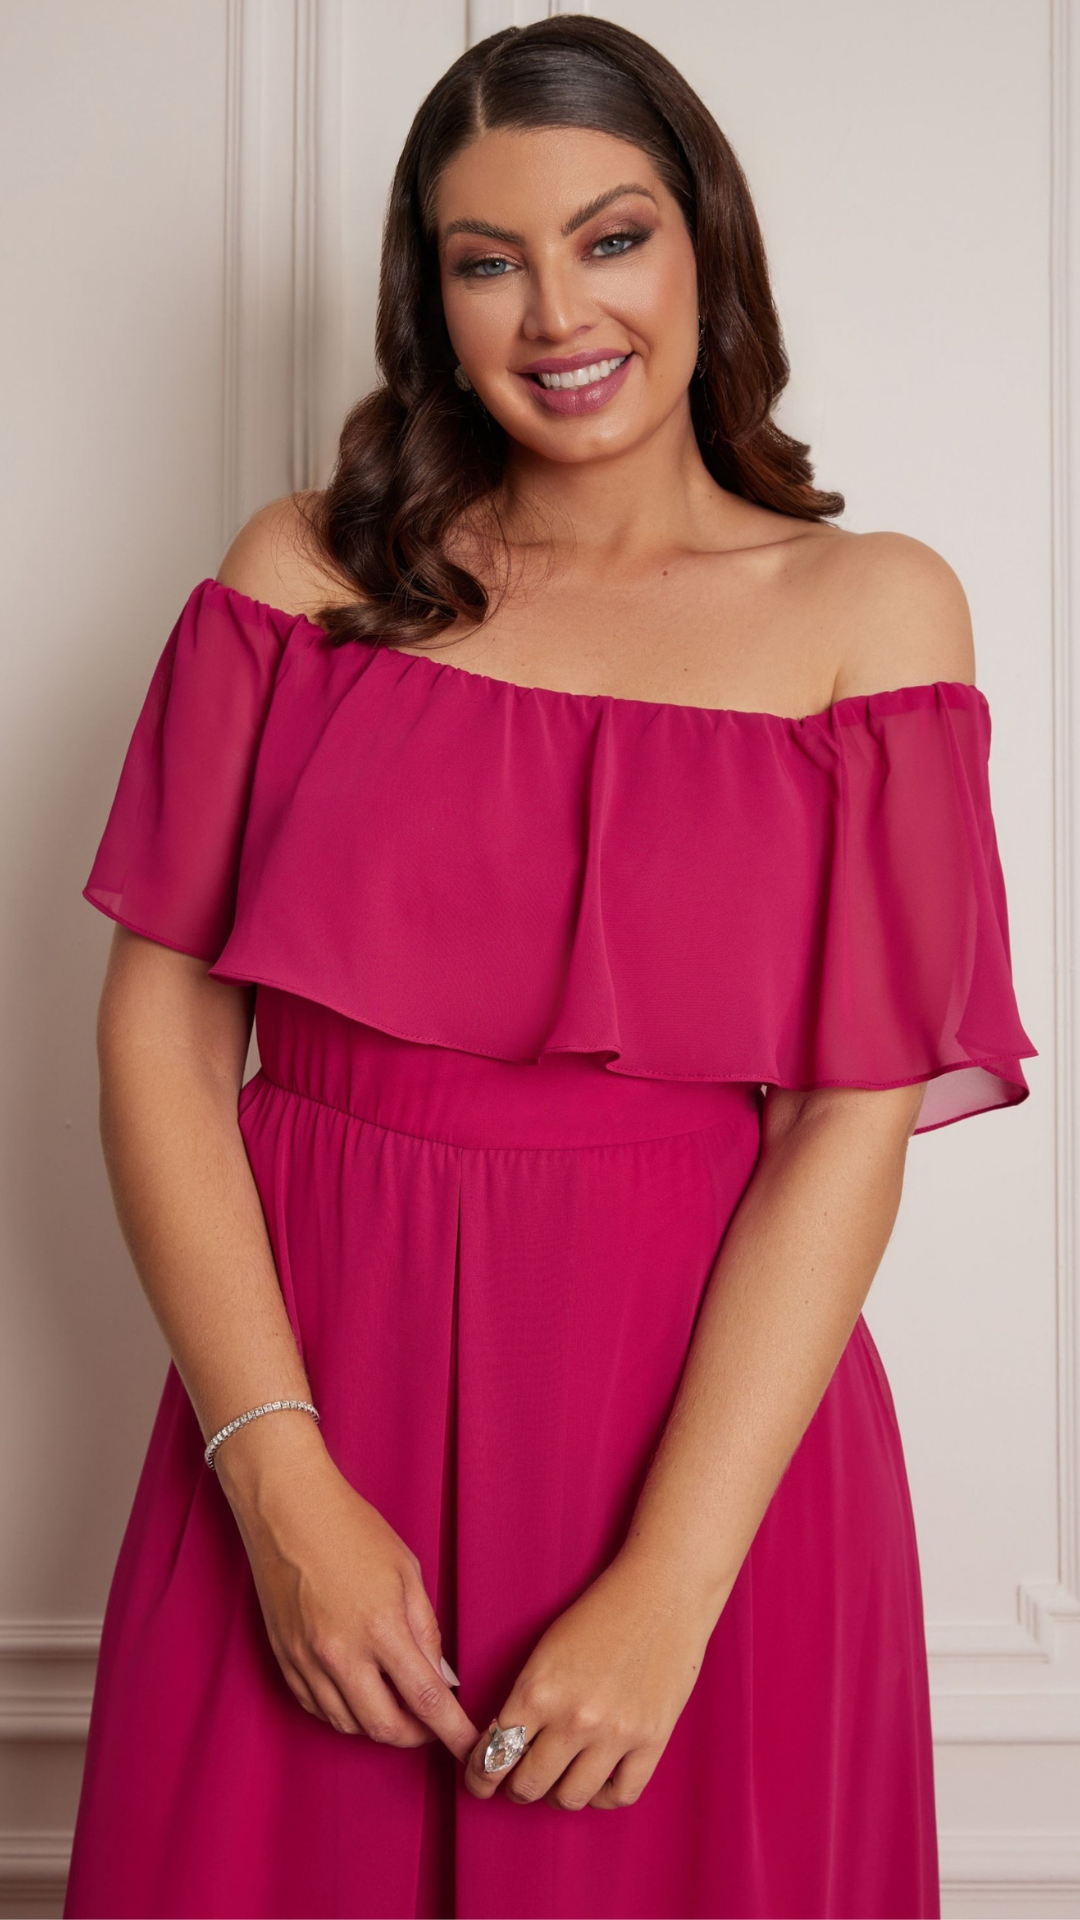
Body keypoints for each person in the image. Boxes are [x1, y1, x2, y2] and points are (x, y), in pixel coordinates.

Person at [64, 16, 1037, 1920]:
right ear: (429, 301)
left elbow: (849, 1128)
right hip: (303, 1411)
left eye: (611, 238)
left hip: (697, 1457)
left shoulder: (872, 614)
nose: (556, 312)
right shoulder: (302, 582)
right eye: (486, 259)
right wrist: (279, 1486)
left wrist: (673, 1586)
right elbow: (158, 1040)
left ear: (704, 247)